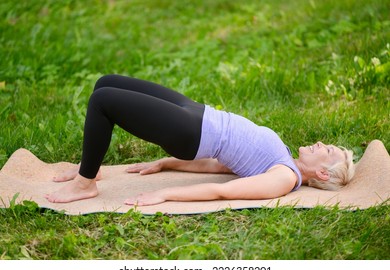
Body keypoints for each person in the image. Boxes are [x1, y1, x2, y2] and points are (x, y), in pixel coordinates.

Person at [45, 74, 355, 205]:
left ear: (323, 173)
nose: (320, 144)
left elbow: (225, 191)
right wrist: (166, 163)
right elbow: (221, 168)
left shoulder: (285, 178)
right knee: (106, 83)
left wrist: (166, 195)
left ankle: (86, 183)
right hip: (196, 112)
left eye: (326, 150)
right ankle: (92, 165)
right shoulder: (282, 158)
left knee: (104, 101)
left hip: (190, 131)